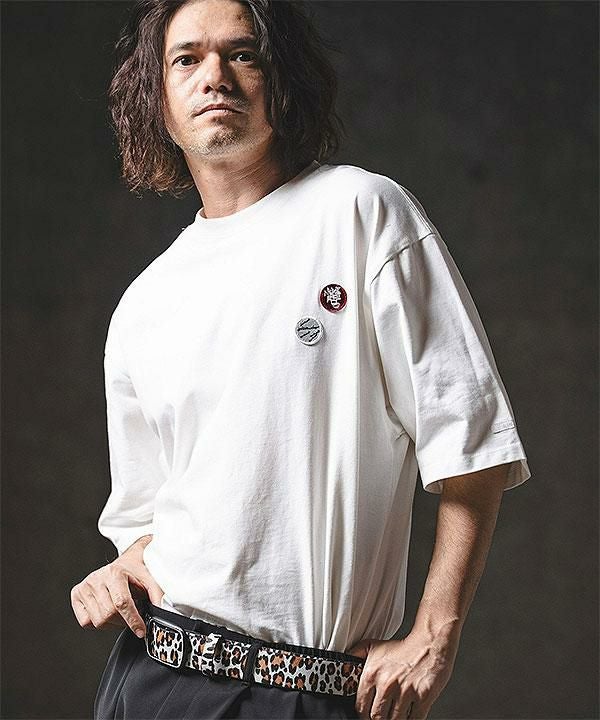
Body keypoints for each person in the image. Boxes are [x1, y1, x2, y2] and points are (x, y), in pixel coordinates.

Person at [70, 1, 531, 718]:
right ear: (156, 98)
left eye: (242, 54)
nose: (215, 76)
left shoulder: (361, 212)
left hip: (310, 690)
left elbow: (473, 443)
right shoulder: (144, 302)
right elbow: (144, 520)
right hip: (153, 680)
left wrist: (435, 636)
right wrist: (117, 571)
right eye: (186, 59)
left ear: (279, 79)